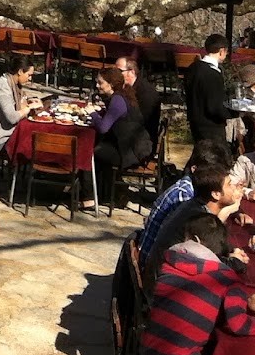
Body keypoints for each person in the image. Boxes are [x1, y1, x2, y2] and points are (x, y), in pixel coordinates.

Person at [140, 211, 255, 355]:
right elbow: (238, 325)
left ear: (195, 241)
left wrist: (246, 302)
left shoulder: (170, 263)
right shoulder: (228, 279)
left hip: (148, 350)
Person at [142, 162, 249, 281]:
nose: (234, 188)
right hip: (164, 285)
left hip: (160, 274)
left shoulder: (193, 206)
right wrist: (236, 262)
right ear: (216, 194)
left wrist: (232, 250)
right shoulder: (200, 220)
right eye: (229, 185)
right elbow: (210, 264)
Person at [142, 139, 236, 248]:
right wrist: (227, 210)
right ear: (194, 169)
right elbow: (204, 240)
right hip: (157, 257)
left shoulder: (195, 191)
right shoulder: (184, 196)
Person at [85, 67, 152, 210]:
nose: (97, 86)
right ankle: (105, 192)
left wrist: (93, 114)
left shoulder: (117, 100)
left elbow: (103, 127)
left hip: (130, 151)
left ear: (111, 84)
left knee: (88, 152)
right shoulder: (122, 95)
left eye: (100, 83)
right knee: (99, 147)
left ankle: (89, 196)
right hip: (129, 145)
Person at [0, 55, 42, 151]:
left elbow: (18, 104)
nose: (30, 78)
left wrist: (29, 103)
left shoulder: (14, 85)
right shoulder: (2, 86)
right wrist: (29, 108)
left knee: (31, 138)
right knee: (29, 145)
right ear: (20, 72)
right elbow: (12, 118)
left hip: (6, 134)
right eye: (29, 75)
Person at [183, 33, 230, 146]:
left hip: (195, 122)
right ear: (222, 51)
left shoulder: (192, 68)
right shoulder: (212, 74)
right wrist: (232, 113)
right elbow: (214, 107)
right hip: (211, 126)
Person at [115, 55, 161, 138]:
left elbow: (141, 122)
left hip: (139, 143)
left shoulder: (146, 93)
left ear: (132, 72)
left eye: (119, 71)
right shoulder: (127, 88)